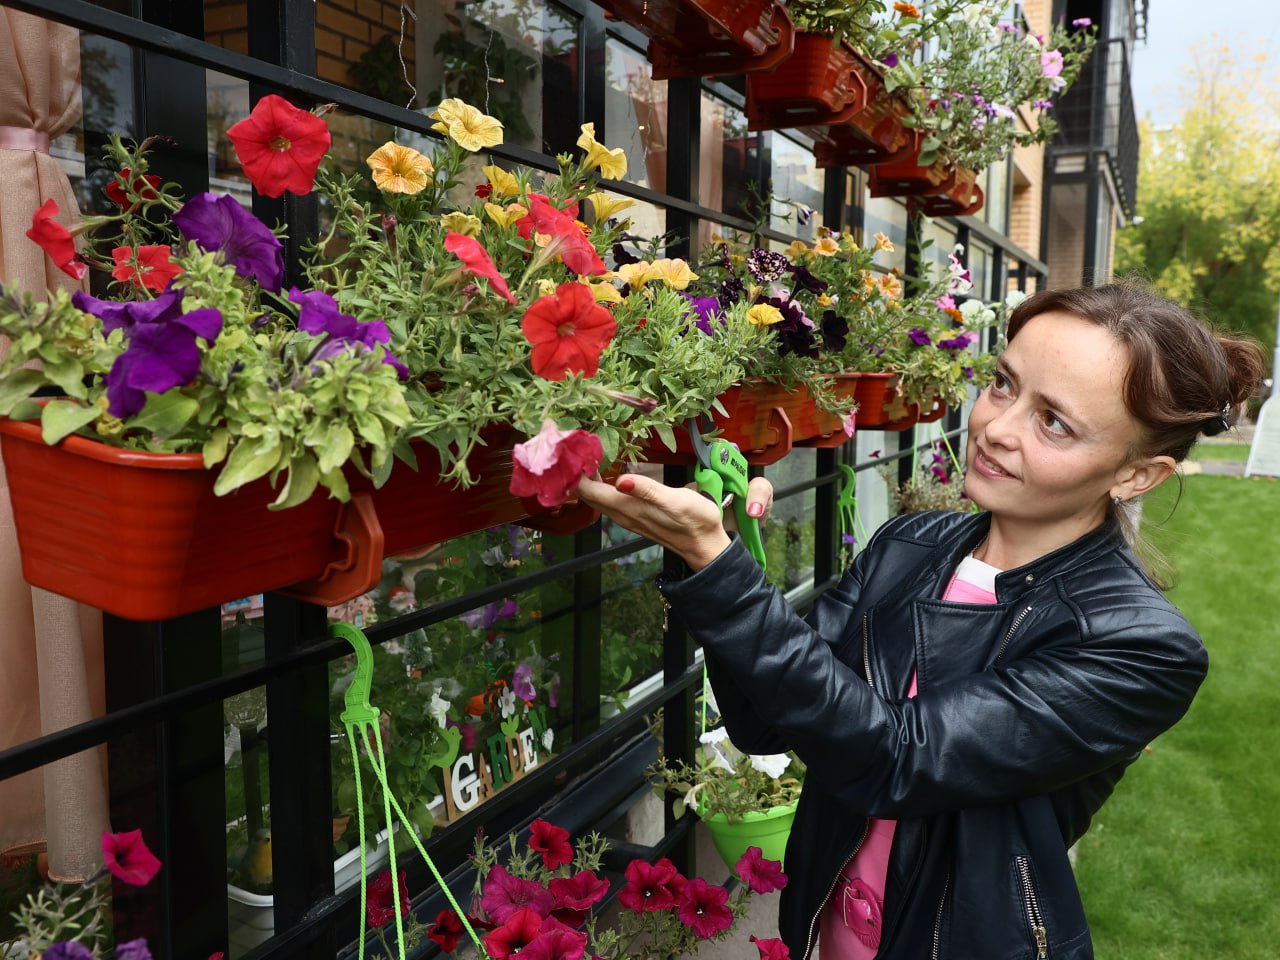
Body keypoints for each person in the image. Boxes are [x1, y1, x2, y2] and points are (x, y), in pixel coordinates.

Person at [575, 283, 1265, 960]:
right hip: (825, 922)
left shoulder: (1139, 645)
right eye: (1002, 384)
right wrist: (715, 553)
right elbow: (765, 722)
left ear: (1138, 476)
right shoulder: (913, 544)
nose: (995, 427)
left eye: (1053, 421)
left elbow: (896, 760)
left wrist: (721, 573)